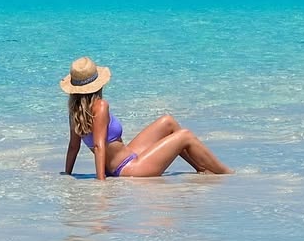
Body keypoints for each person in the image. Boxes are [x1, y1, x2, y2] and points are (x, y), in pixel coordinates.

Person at [59, 56, 233, 179]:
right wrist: (101, 182)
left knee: (168, 122)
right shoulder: (101, 106)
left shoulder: (75, 112)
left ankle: (201, 168)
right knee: (185, 135)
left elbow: (74, 146)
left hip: (124, 161)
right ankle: (226, 174)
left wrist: (67, 174)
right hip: (128, 168)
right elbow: (98, 146)